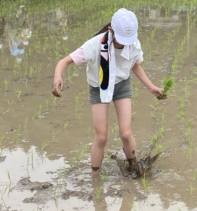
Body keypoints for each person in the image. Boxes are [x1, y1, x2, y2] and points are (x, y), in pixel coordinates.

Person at [51, 9, 164, 175]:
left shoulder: (133, 44)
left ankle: (134, 168)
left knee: (126, 133)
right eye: (121, 40)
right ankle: (95, 178)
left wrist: (151, 86)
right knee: (102, 136)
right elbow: (65, 61)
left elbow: (134, 64)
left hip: (121, 85)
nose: (125, 44)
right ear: (111, 30)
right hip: (99, 87)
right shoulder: (95, 45)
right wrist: (57, 77)